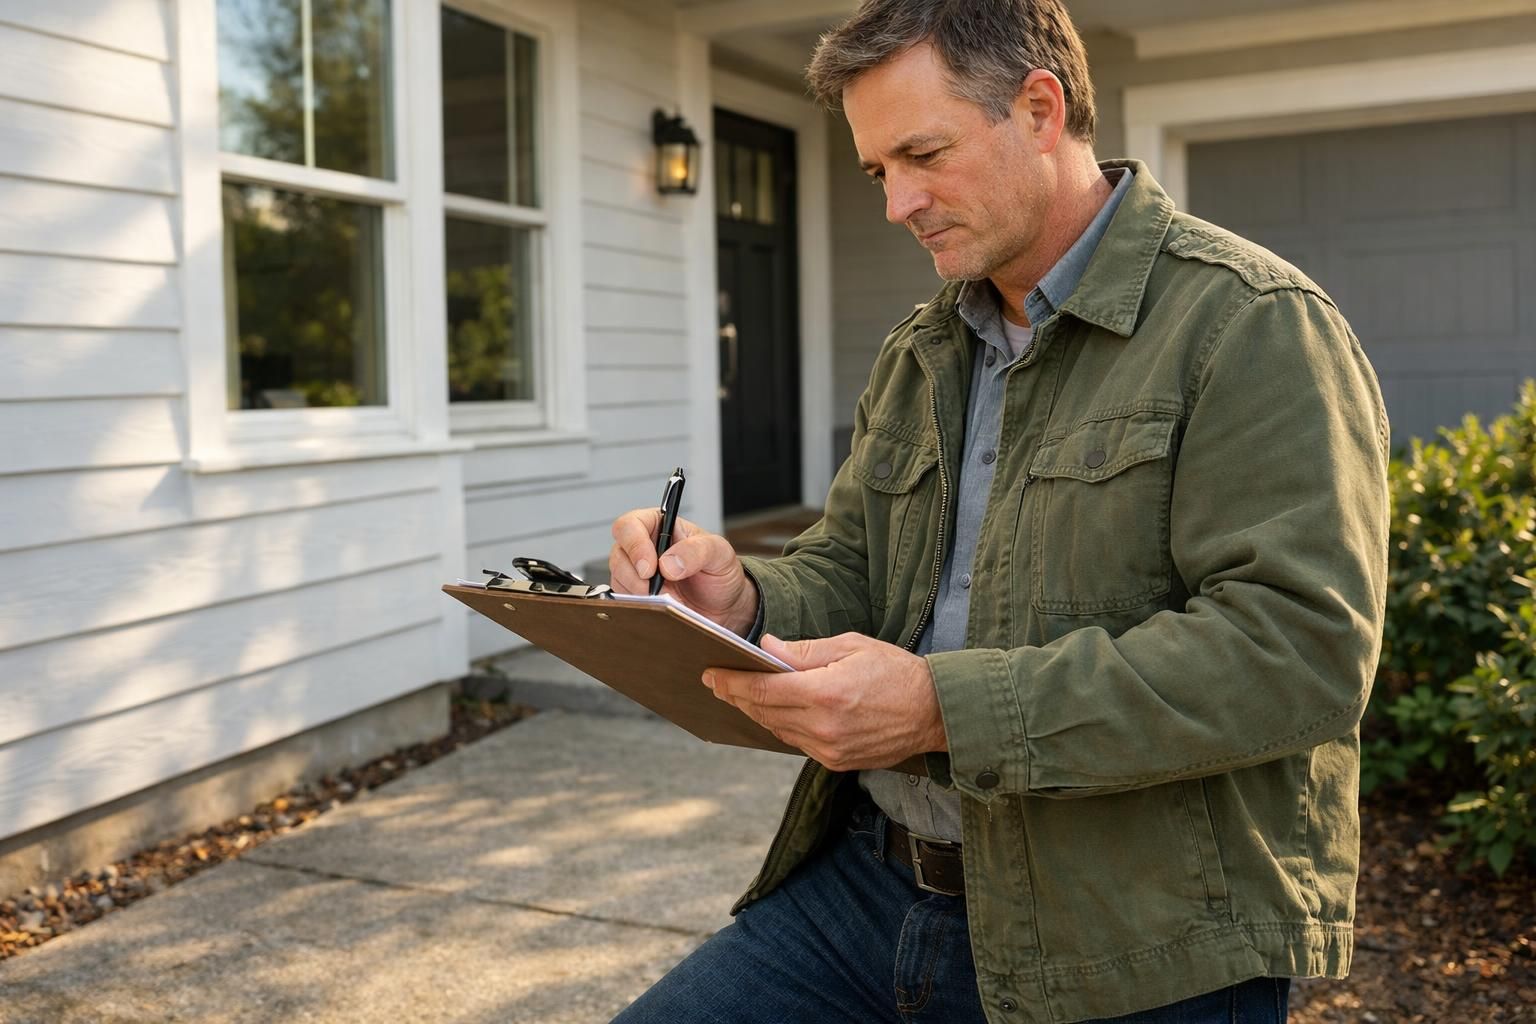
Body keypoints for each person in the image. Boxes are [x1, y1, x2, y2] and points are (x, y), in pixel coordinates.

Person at [607, 1, 1390, 1021]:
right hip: (864, 894)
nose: (899, 202)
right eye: (878, 171)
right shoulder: (921, 350)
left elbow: (1298, 652)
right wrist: (743, 597)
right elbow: (853, 567)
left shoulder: (1250, 324)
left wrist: (945, 708)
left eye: (924, 154)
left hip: (1137, 939)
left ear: (1040, 109)